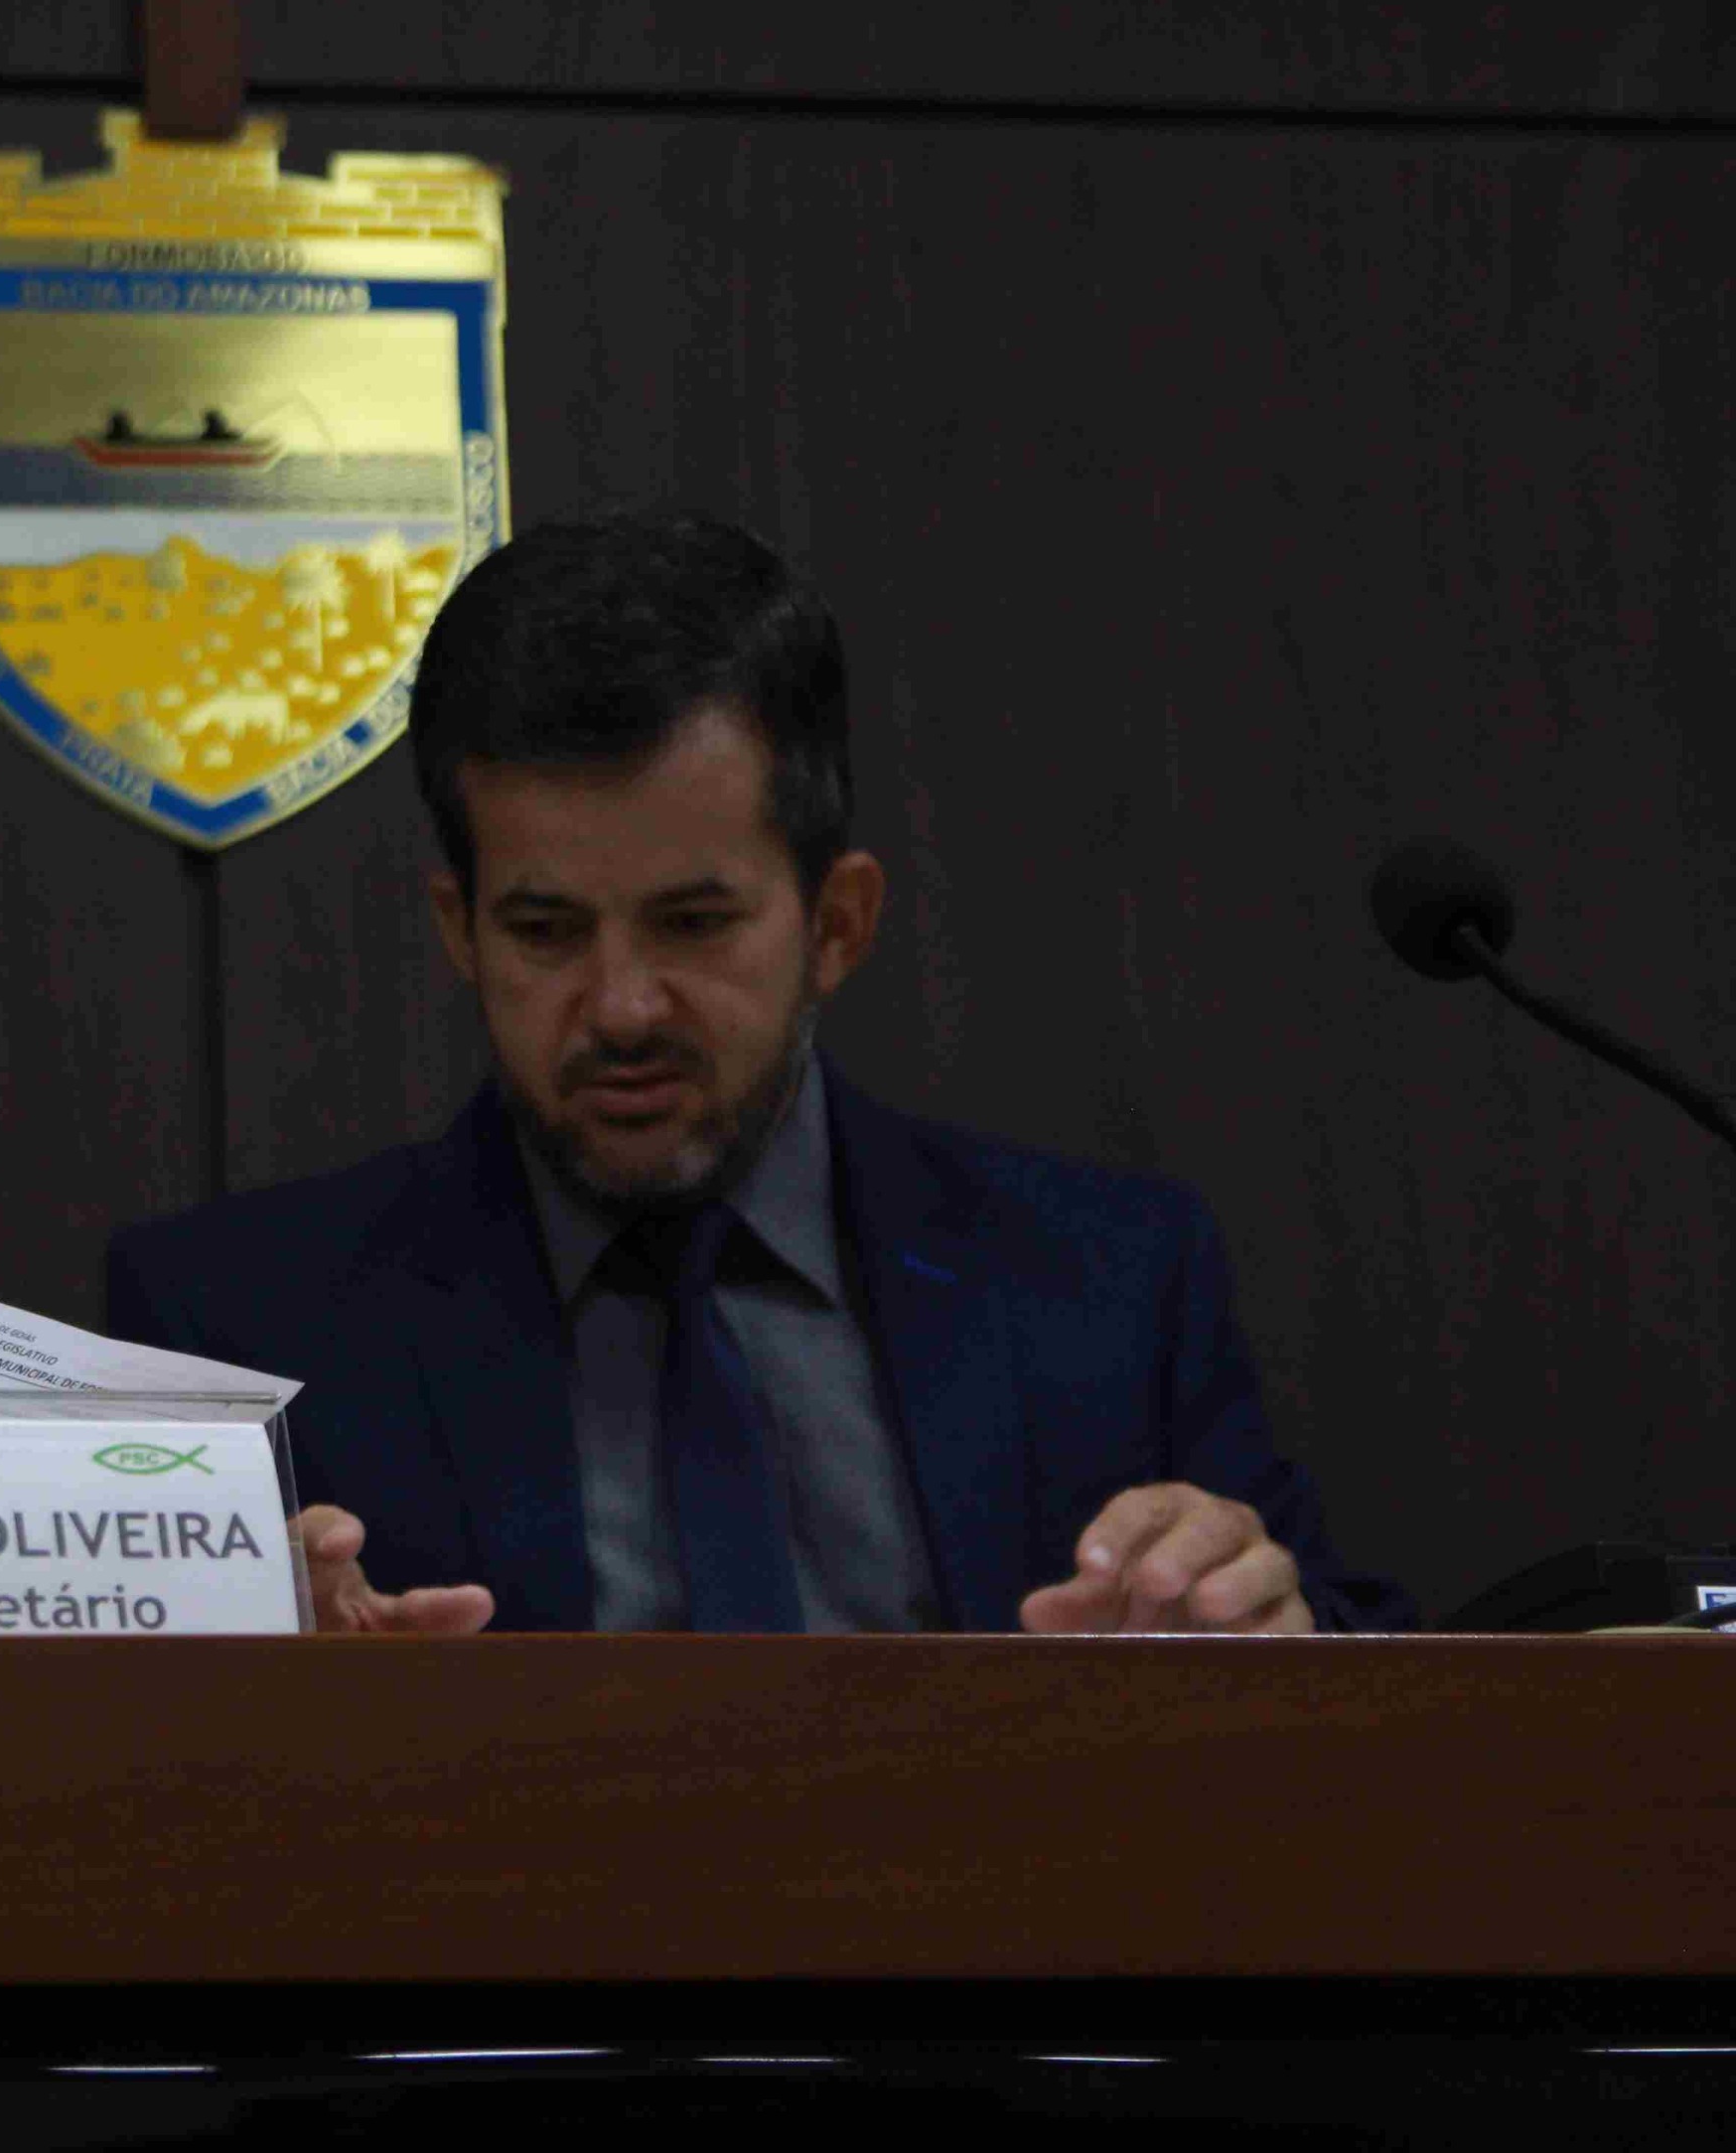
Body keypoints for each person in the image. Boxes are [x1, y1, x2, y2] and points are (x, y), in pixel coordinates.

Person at [108, 511, 1413, 1638]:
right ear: (461, 930)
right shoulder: (234, 1334)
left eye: (694, 923)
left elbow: (1360, 1683)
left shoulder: (1108, 1289)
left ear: (838, 923)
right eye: (546, 930)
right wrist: (258, 1703)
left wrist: (1261, 1634)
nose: (623, 1006)